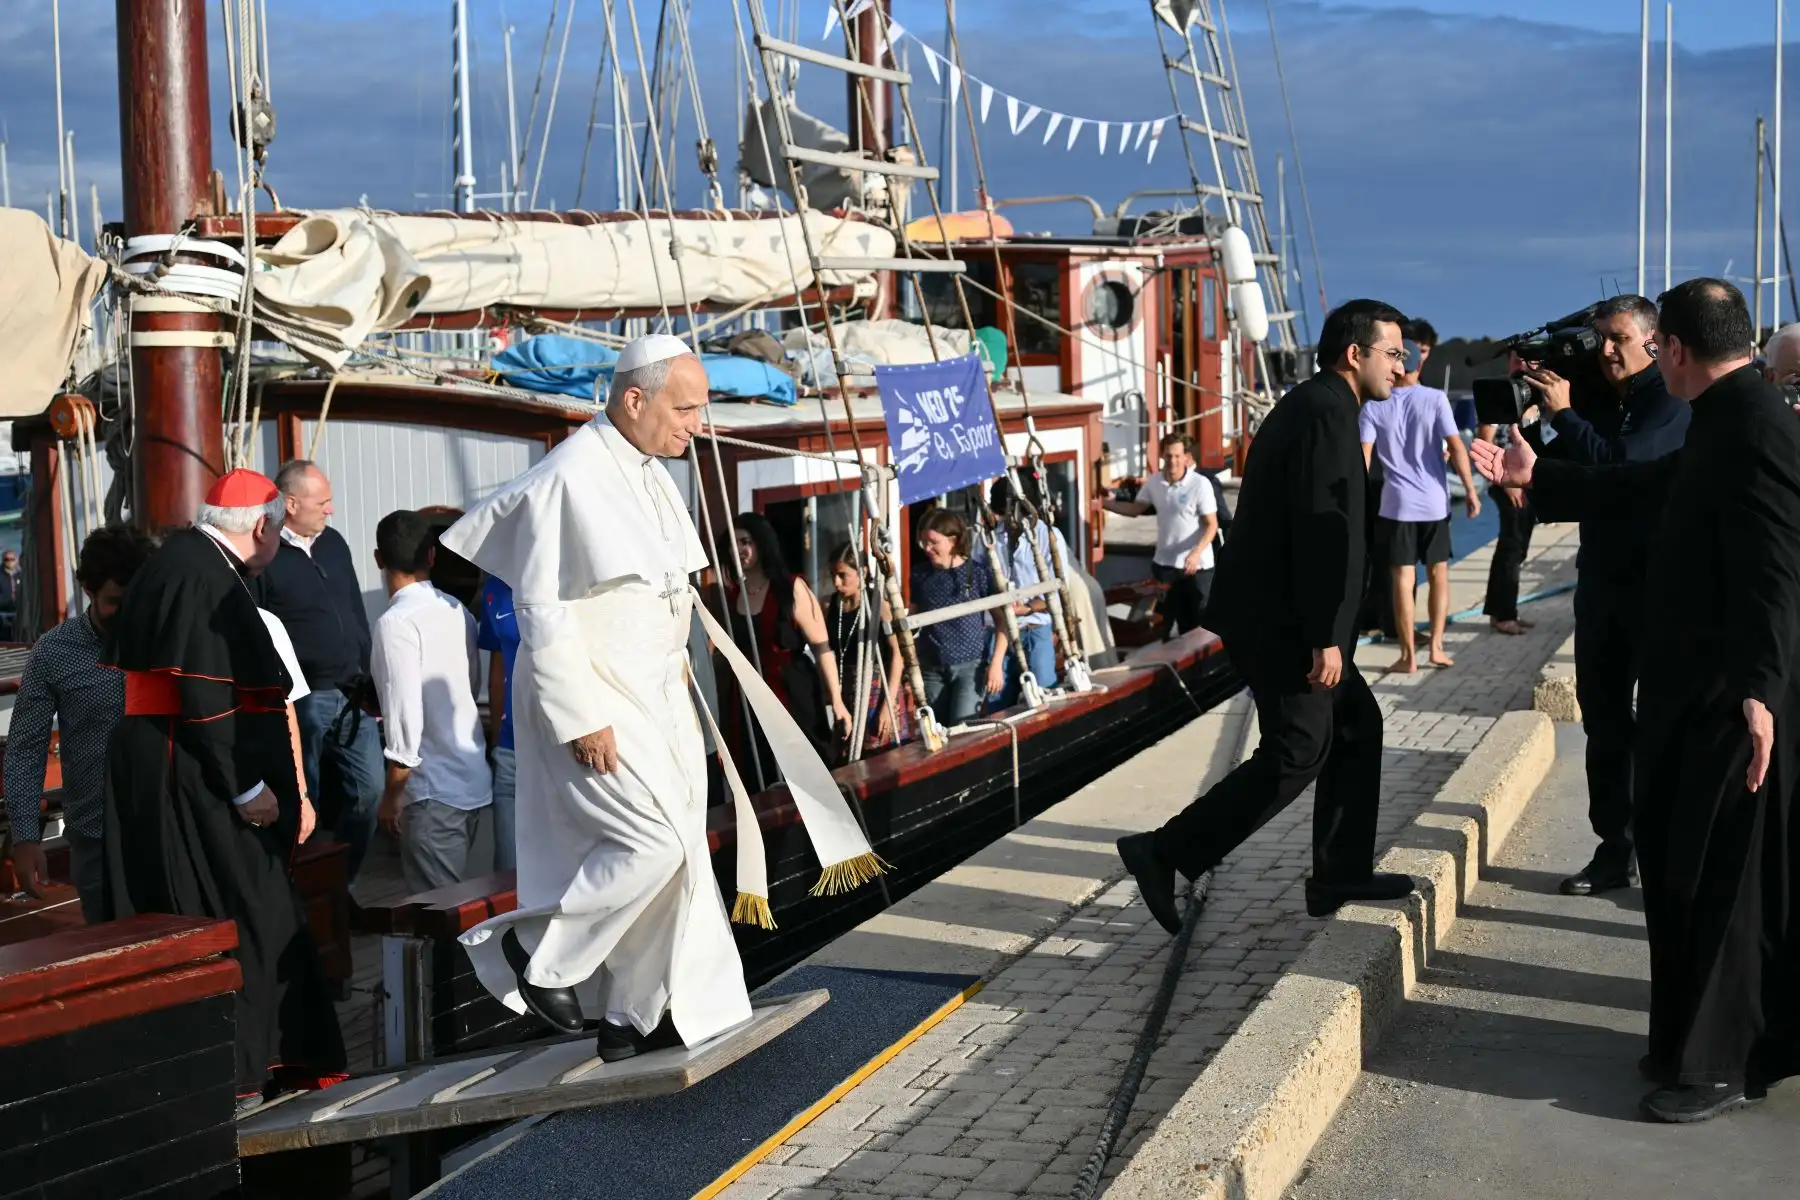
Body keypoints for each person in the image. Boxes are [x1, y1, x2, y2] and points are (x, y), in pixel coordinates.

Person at [437, 334, 881, 1063]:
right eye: (686, 409)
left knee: (681, 864)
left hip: (659, 698)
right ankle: (539, 954)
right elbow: (542, 611)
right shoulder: (569, 478)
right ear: (633, 399)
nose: (697, 425)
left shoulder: (649, 471)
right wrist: (582, 717)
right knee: (652, 844)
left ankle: (628, 1018)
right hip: (599, 702)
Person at [1472, 278, 1800, 1123]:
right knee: (1673, 856)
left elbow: (1776, 569)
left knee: (1716, 878)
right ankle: (1687, 1043)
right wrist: (1539, 475)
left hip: (1732, 696)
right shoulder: (1732, 415)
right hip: (1696, 684)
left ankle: (1719, 1066)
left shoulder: (1754, 424)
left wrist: (1763, 692)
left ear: (1678, 351)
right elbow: (1646, 488)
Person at [1116, 299, 1418, 933]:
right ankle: (1163, 850)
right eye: (1393, 352)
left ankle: (1340, 871)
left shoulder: (1324, 406)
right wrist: (1327, 638)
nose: (1404, 364)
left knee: (1356, 725)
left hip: (1278, 613)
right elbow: (1319, 535)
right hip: (1284, 623)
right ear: (1353, 353)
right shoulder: (1326, 414)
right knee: (1299, 749)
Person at [101, 468, 345, 1112]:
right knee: (248, 911)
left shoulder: (180, 557)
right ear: (263, 525)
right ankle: (253, 1066)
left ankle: (240, 1065)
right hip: (195, 775)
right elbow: (205, 694)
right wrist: (246, 789)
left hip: (164, 762)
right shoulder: (206, 575)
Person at [1518, 295, 1690, 897]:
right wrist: (1534, 440)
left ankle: (1665, 843)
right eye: (1600, 340)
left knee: (1666, 722)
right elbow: (1571, 481)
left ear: (1651, 341)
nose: (1607, 350)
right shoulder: (1596, 397)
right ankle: (1615, 847)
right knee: (1603, 716)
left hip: (1659, 587)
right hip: (1602, 583)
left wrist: (1565, 416)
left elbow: (1619, 469)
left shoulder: (1667, 401)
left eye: (1617, 338)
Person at [4, 526, 154, 922]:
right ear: (88, 591)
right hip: (95, 837)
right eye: (114, 602)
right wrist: (25, 836)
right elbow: (26, 746)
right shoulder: (53, 652)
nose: (126, 613)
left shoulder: (168, 639)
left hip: (166, 827)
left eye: (136, 600)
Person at [255, 460, 383, 883]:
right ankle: (301, 890)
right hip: (302, 699)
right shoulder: (266, 553)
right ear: (290, 504)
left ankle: (337, 885)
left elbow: (354, 612)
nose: (330, 510)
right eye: (323, 502)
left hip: (352, 693)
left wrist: (368, 671)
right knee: (300, 799)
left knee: (369, 793)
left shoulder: (334, 544)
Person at [370, 510, 493, 894]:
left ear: (379, 559)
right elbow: (469, 690)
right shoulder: (459, 613)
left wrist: (391, 795)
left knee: (442, 916)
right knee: (470, 908)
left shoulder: (396, 623)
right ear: (432, 557)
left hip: (431, 791)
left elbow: (404, 718)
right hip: (473, 780)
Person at [1358, 319, 1480, 672]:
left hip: (1396, 506)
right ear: (1419, 363)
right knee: (1439, 574)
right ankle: (1437, 648)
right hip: (1434, 503)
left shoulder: (1373, 406)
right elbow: (1457, 448)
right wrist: (1470, 490)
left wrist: (1359, 498)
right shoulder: (1436, 399)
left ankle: (1408, 656)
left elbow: (1363, 458)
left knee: (1403, 581)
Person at [713, 512, 846, 774]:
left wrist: (837, 701)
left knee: (804, 766)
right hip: (747, 697)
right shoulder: (732, 597)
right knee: (756, 769)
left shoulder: (791, 588)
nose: (738, 549)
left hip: (792, 692)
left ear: (762, 543)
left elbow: (822, 648)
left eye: (745, 541)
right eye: (733, 543)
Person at [1103, 432, 1219, 639]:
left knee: (1195, 627)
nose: (1172, 461)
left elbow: (1211, 526)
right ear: (1162, 457)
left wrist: (1195, 553)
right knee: (1162, 625)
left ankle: (1196, 669)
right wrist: (1101, 503)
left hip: (1196, 569)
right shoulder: (1155, 482)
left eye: (1177, 456)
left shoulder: (1200, 485)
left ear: (1186, 457)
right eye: (1168, 456)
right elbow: (1135, 509)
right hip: (1164, 566)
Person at [910, 507, 1009, 725]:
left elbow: (1003, 623)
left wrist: (995, 665)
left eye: (933, 542)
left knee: (963, 729)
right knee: (935, 730)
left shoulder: (979, 574)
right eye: (924, 542)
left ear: (953, 540)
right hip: (932, 668)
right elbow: (911, 624)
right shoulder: (920, 575)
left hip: (970, 668)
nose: (927, 548)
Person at [824, 542, 910, 759]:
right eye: (833, 575)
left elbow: (898, 654)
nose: (836, 582)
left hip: (877, 685)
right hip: (847, 686)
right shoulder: (832, 605)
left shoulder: (878, 604)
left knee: (881, 754)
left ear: (861, 572)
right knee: (848, 754)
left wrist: (888, 705)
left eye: (843, 575)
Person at [476, 572, 520, 872]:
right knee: (507, 871)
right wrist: (495, 741)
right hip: (510, 750)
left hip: (558, 750)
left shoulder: (565, 572)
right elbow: (498, 666)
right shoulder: (494, 587)